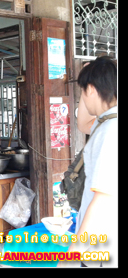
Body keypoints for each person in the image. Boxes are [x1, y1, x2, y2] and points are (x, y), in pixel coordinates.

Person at [59, 56, 117, 268]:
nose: (82, 95)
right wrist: (88, 78)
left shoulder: (110, 131)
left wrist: (71, 257)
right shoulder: (107, 121)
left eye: (83, 90)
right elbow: (83, 124)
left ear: (91, 89)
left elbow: (103, 200)